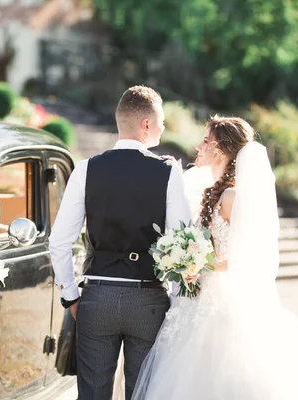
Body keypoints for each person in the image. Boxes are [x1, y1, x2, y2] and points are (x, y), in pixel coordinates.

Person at [132, 115, 298, 400]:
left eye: (206, 141)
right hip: (197, 296)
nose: (198, 146)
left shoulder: (232, 197)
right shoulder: (211, 190)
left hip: (220, 302)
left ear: (223, 150)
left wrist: (196, 263)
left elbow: (243, 256)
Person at [49, 85, 191, 400]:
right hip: (148, 301)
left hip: (97, 298)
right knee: (142, 394)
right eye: (161, 121)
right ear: (146, 125)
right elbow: (184, 244)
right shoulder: (168, 172)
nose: (164, 127)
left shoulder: (86, 169)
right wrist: (177, 303)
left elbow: (59, 242)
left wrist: (71, 297)